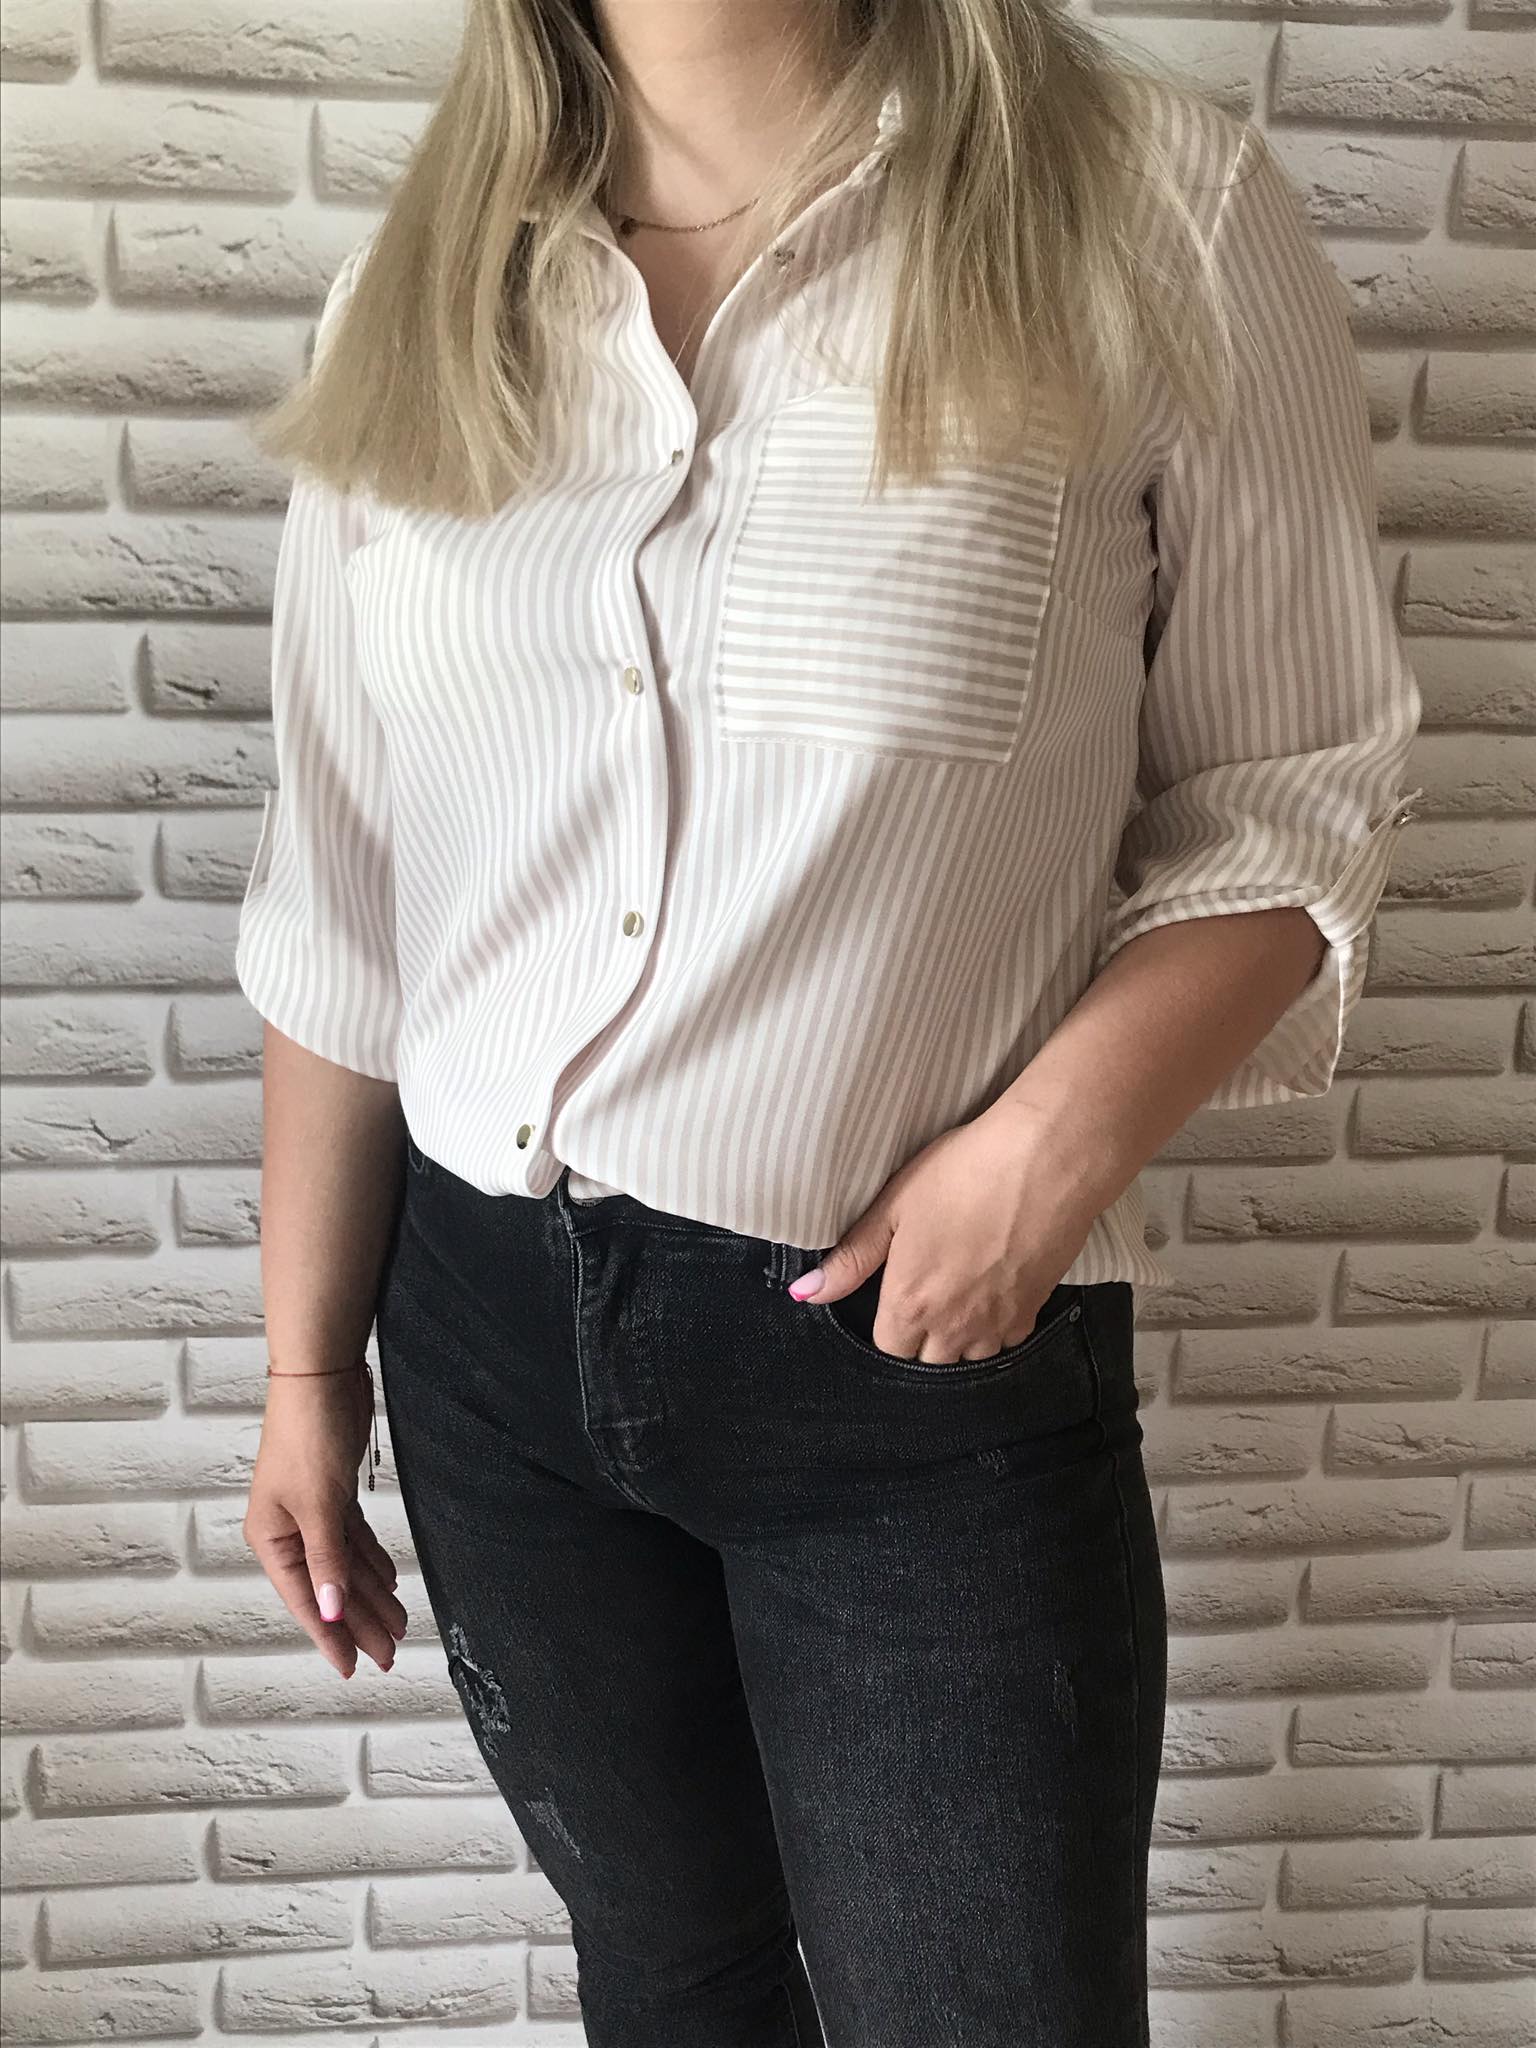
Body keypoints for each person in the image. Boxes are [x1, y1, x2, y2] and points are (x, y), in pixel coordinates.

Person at [236, 2, 1422, 2042]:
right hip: (484, 1344)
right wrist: (302, 1369)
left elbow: (1295, 793)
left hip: (912, 1371)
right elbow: (341, 891)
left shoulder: (1157, 214)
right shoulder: (418, 293)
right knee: (673, 1991)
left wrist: (1046, 1155)